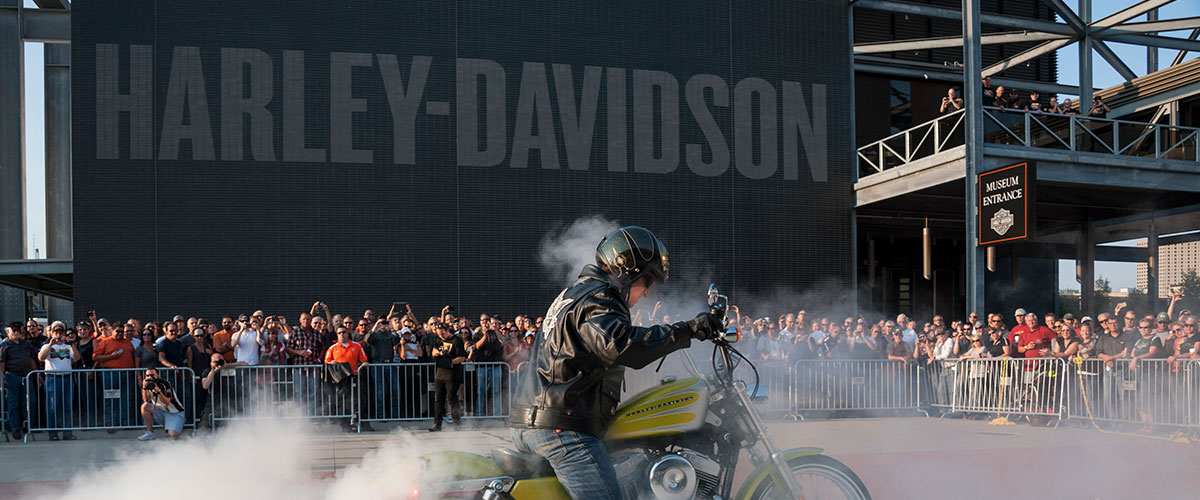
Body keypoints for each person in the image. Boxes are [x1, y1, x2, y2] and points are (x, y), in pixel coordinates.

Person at [508, 226, 721, 500]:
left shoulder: (576, 293)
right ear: (627, 271)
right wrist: (688, 330)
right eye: (648, 280)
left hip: (538, 422)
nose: (647, 292)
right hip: (563, 428)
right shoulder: (600, 297)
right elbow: (620, 345)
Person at [39, 321, 81, 440]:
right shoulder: (46, 346)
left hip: (67, 378)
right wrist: (50, 344)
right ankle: (53, 433)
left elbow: (76, 358)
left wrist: (72, 345)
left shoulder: (67, 346)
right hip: (53, 378)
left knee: (67, 406)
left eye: (60, 332)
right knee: (53, 407)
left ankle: (67, 432)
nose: (58, 335)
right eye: (55, 332)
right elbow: (41, 358)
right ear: (51, 333)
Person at [1, 325, 37, 439]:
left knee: (30, 402)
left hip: (26, 376)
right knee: (13, 403)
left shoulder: (25, 344)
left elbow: (31, 359)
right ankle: (15, 427)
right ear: (8, 331)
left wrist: (37, 372)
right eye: (14, 331)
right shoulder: (4, 345)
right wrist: (3, 378)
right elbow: (1, 363)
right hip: (12, 375)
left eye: (18, 331)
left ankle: (28, 425)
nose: (16, 333)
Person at [138, 367, 185, 440]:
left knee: (173, 435)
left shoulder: (165, 384)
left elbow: (166, 403)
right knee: (145, 406)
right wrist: (144, 388)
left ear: (157, 375)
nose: (150, 377)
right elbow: (146, 400)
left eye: (152, 375)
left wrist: (158, 391)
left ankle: (173, 426)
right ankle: (150, 432)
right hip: (160, 411)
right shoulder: (147, 384)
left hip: (174, 413)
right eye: (147, 376)